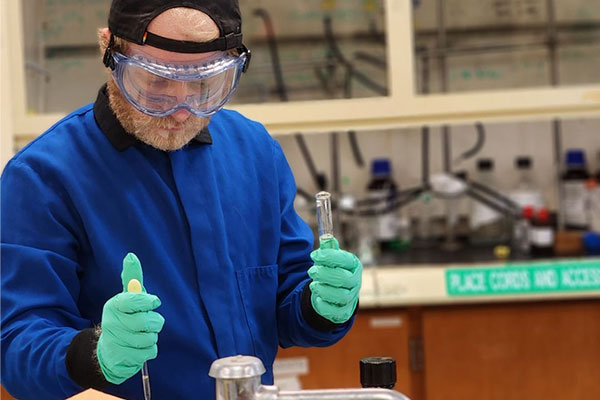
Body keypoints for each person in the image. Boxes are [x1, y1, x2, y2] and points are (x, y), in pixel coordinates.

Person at [0, 1, 363, 399]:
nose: (180, 108)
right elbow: (16, 346)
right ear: (108, 49)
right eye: (154, 82)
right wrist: (93, 353)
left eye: (205, 83)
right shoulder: (42, 177)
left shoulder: (255, 152)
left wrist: (321, 304)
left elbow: (287, 308)